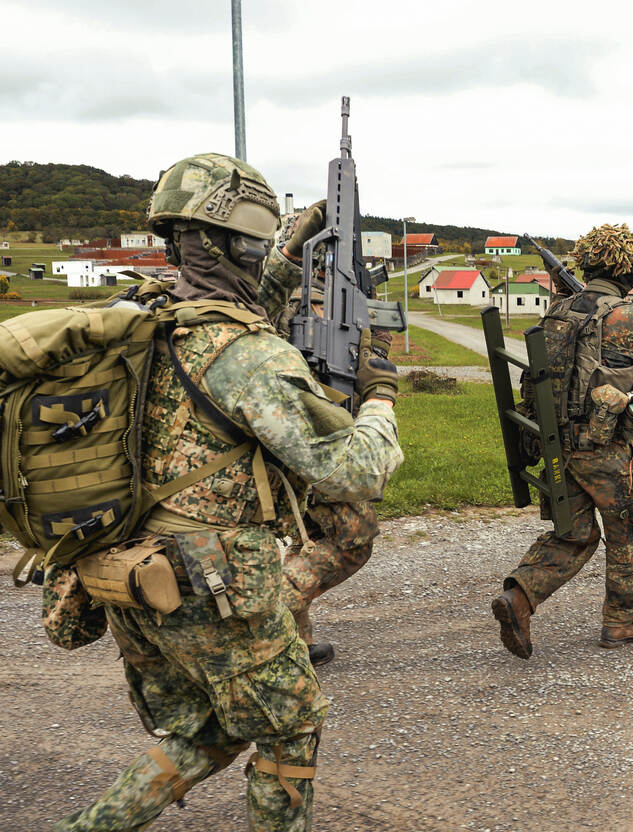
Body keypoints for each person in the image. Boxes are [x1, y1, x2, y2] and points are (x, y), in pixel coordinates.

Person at [49, 153, 403, 831]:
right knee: (291, 730)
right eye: (258, 243)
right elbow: (355, 472)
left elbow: (238, 299)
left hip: (126, 570)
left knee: (207, 729)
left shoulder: (140, 320)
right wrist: (381, 397)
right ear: (240, 243)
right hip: (211, 584)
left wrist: (295, 246)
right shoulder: (247, 355)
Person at [491, 223, 633, 659]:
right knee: (631, 527)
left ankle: (518, 597)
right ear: (629, 270)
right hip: (602, 449)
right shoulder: (629, 316)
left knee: (574, 533)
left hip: (557, 444)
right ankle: (622, 621)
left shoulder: (559, 311)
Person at [264, 204, 390, 668]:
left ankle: (293, 643)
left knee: (310, 536)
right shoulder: (312, 304)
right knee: (354, 536)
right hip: (312, 439)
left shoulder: (289, 298)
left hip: (289, 438)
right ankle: (267, 619)